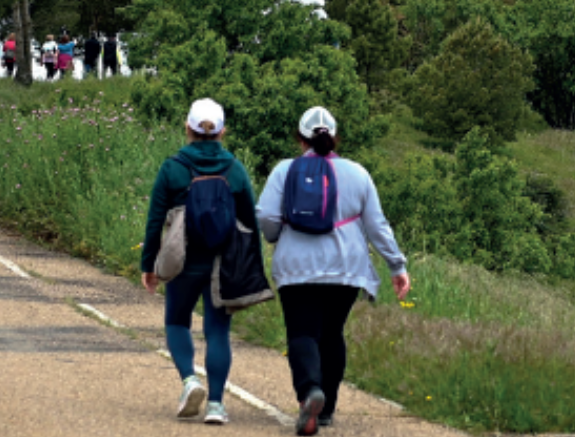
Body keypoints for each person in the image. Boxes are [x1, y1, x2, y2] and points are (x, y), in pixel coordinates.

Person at [257, 107, 410, 436]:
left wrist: (275, 237)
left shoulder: (285, 170)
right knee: (332, 334)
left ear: (300, 138)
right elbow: (377, 226)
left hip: (297, 267)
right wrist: (396, 265)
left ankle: (311, 391)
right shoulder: (357, 173)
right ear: (335, 136)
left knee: (302, 333)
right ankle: (326, 411)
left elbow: (267, 217)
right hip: (346, 268)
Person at [140, 98, 260, 425]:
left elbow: (154, 220)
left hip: (183, 261)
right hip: (222, 261)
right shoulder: (235, 169)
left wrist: (148, 264)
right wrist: (252, 269)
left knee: (177, 321)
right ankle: (217, 405)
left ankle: (190, 381)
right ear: (223, 131)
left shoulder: (173, 167)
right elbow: (250, 222)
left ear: (188, 128)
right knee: (218, 330)